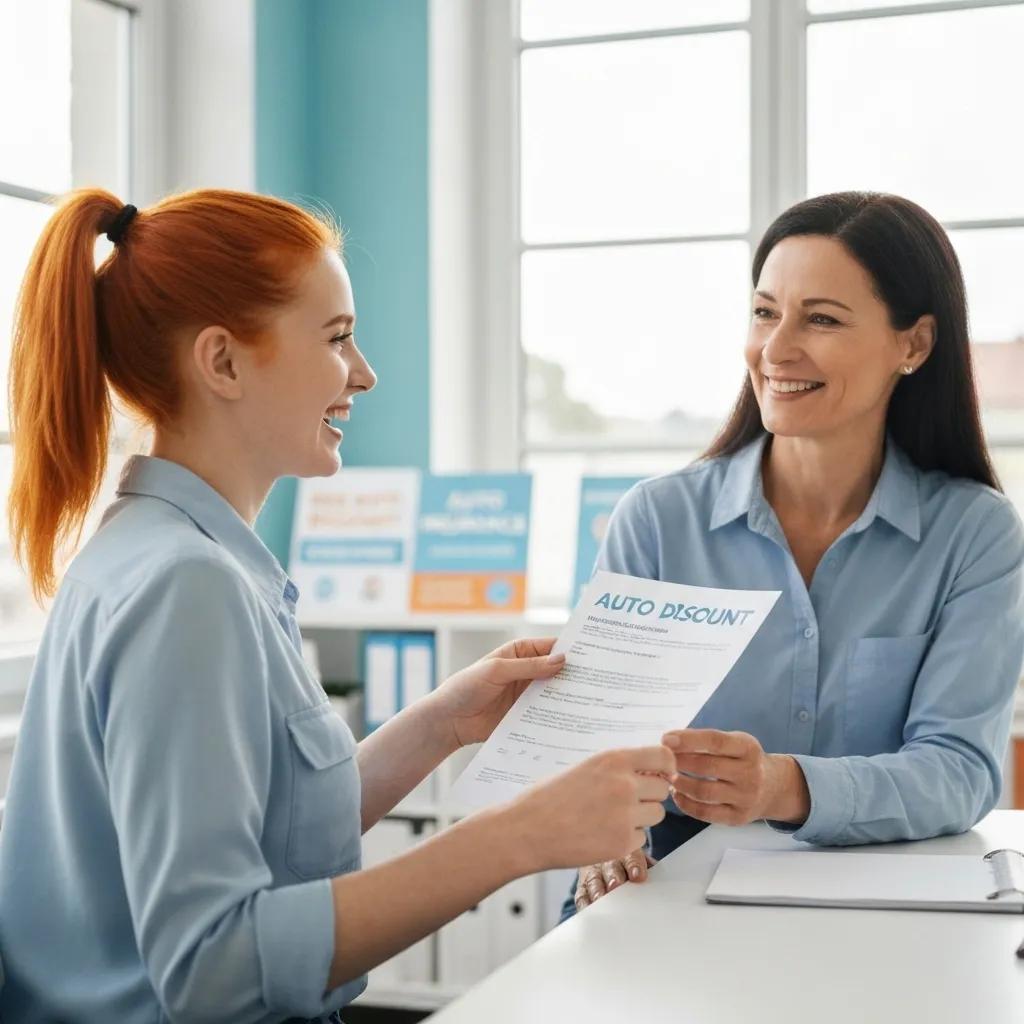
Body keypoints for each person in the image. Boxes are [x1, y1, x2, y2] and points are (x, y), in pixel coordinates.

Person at [0, 188, 676, 1023]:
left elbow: (268, 831)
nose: (364, 372)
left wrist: (442, 723)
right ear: (223, 363)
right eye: (337, 338)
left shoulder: (165, 554)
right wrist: (520, 837)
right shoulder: (188, 588)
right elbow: (214, 968)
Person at [566, 191, 1024, 917]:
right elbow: (595, 741)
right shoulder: (656, 520)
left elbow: (961, 772)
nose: (776, 350)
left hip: (877, 899)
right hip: (666, 886)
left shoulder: (975, 533)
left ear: (914, 344)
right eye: (764, 312)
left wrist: (784, 786)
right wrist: (604, 828)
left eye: (821, 319)